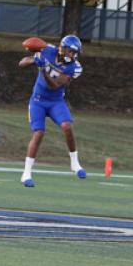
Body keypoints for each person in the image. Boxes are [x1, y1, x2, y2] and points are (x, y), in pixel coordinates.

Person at [18, 35, 86, 187]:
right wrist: (34, 60)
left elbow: (54, 85)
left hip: (56, 101)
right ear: (62, 49)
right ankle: (26, 173)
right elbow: (21, 63)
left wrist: (43, 70)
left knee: (67, 126)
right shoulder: (47, 50)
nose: (72, 55)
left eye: (74, 53)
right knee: (38, 133)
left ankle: (74, 163)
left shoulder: (75, 67)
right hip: (37, 101)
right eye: (70, 51)